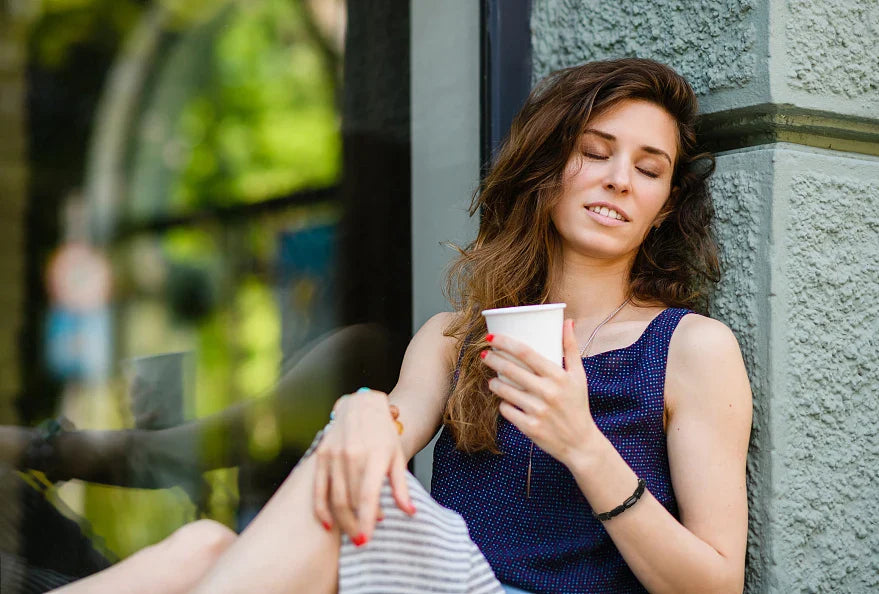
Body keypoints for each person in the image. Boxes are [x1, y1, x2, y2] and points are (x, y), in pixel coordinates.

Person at [48, 56, 753, 593]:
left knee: (303, 497)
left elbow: (714, 583)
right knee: (204, 542)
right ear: (547, 167)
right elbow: (392, 424)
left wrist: (583, 445)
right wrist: (360, 415)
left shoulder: (689, 348)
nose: (619, 180)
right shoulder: (456, 337)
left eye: (649, 169)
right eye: (595, 153)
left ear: (663, 205)